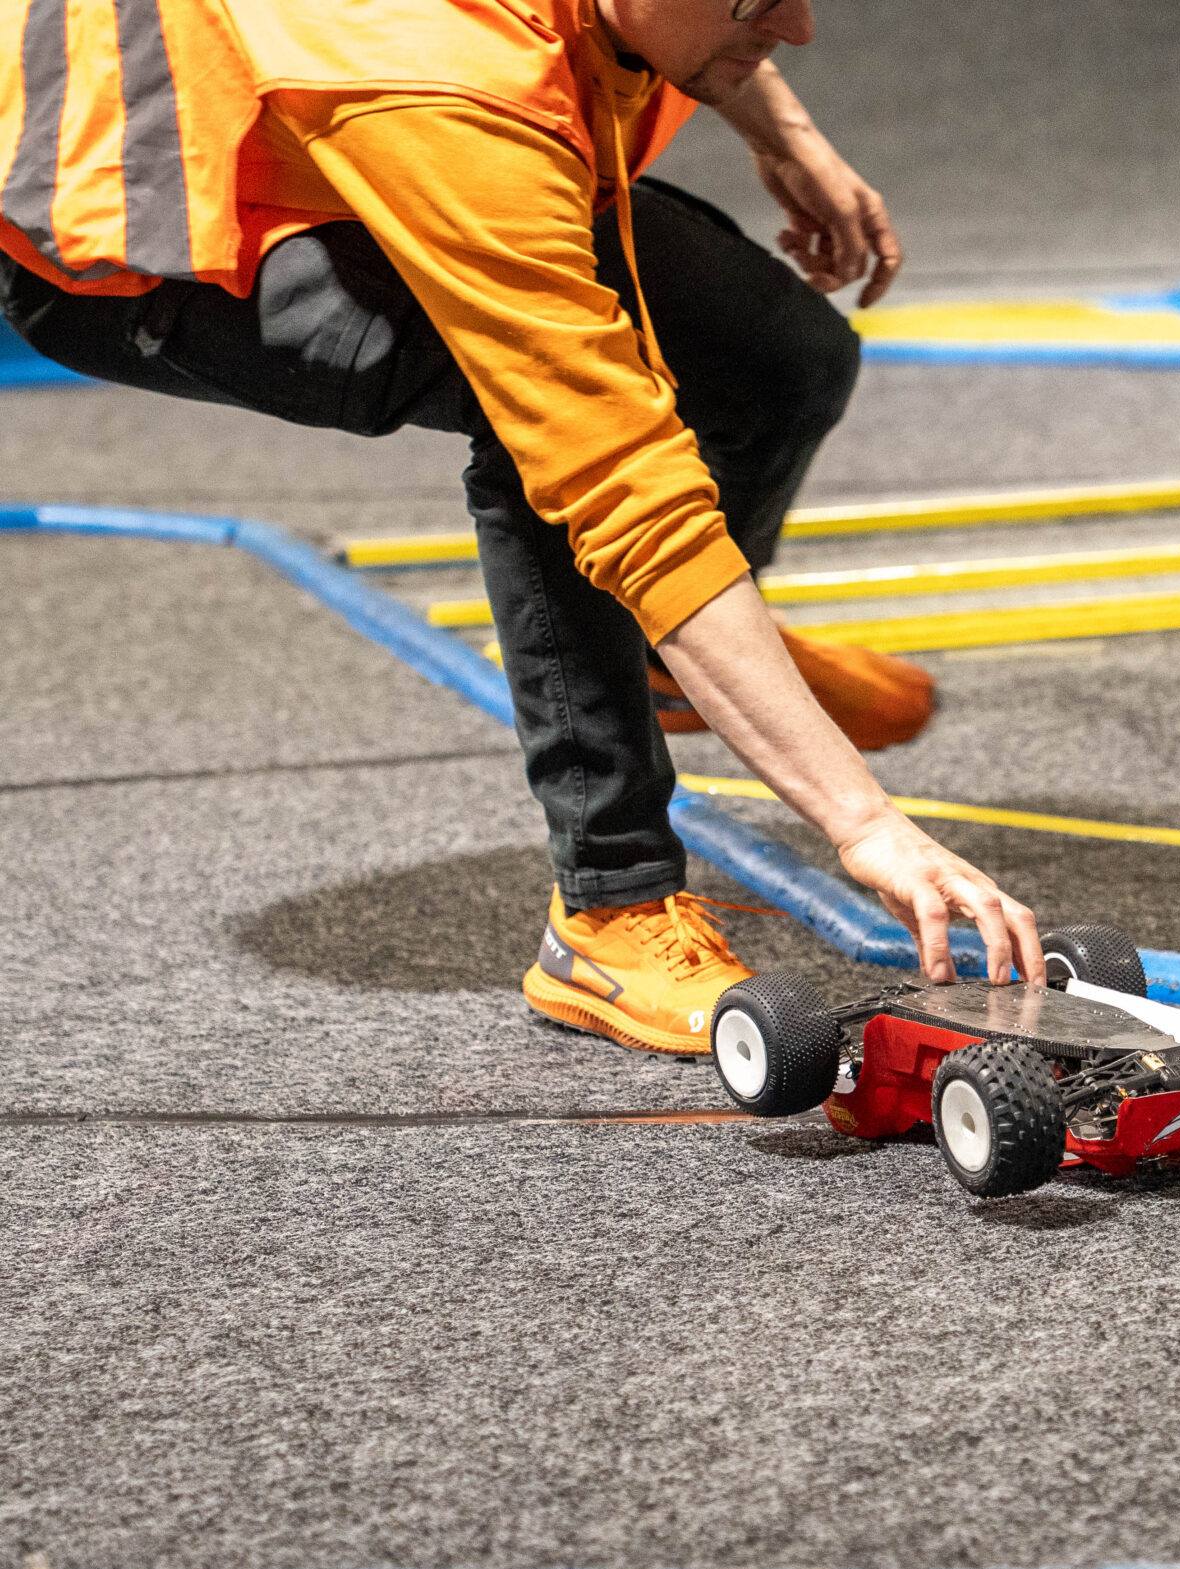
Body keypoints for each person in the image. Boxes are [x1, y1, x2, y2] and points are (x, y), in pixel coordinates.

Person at [0, 0, 1045, 1054]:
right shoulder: (436, 72)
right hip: (140, 224)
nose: (799, 28)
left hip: (347, 113)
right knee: (536, 419)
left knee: (776, 355)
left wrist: (787, 132)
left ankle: (667, 658)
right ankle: (611, 904)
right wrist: (863, 823)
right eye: (756, 2)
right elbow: (612, 470)